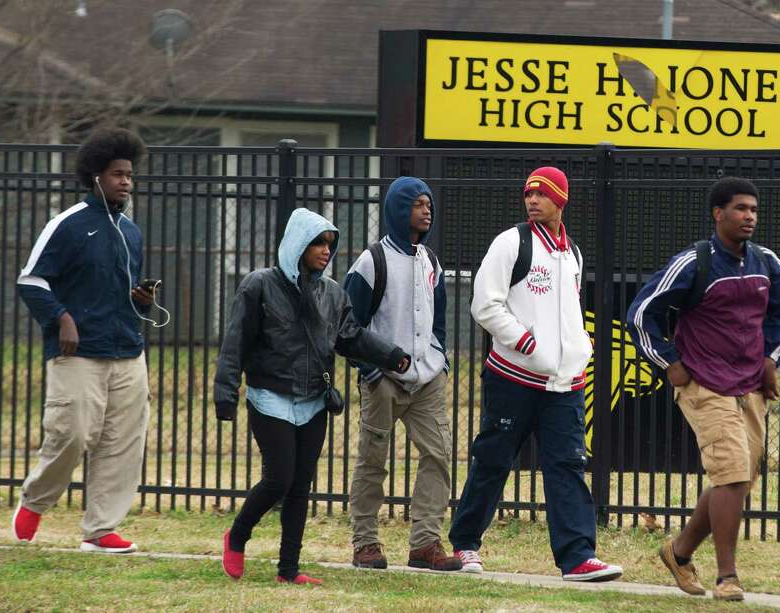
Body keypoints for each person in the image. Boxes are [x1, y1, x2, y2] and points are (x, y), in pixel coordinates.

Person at [215, 207, 411, 585]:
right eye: (317, 242)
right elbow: (235, 342)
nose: (325, 250)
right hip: (269, 396)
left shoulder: (332, 293)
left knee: (300, 487)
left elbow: (350, 337)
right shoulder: (258, 285)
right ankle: (237, 536)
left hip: (314, 401)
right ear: (297, 244)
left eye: (329, 244)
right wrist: (226, 393)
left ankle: (288, 570)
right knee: (279, 479)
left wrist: (390, 355)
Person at [626, 176, 780, 602]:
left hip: (750, 386)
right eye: (740, 208)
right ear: (718, 214)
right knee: (733, 472)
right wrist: (670, 362)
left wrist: (771, 359)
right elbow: (641, 313)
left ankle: (679, 552)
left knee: (736, 480)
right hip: (704, 384)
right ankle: (728, 577)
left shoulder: (767, 263)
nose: (749, 217)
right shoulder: (693, 263)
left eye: (754, 210)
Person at [448, 166, 623, 582]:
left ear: (561, 199)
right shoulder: (511, 242)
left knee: (568, 466)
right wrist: (525, 343)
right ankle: (465, 543)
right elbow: (484, 305)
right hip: (513, 377)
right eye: (529, 194)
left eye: (542, 194)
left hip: (564, 385)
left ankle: (578, 557)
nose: (532, 200)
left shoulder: (572, 252)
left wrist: (580, 347)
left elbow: (569, 310)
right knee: (493, 461)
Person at [13, 128, 153, 553]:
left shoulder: (131, 232)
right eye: (117, 174)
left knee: (123, 442)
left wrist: (141, 300)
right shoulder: (67, 225)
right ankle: (34, 501)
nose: (126, 181)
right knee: (71, 434)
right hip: (77, 352)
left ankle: (101, 529)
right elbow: (31, 280)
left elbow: (122, 289)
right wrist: (62, 318)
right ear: (95, 176)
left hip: (128, 351)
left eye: (129, 174)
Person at [344, 177, 460, 571]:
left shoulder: (431, 261)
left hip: (427, 380)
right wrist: (371, 372)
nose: (427, 211)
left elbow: (438, 320)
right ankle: (365, 543)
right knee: (372, 460)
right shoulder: (371, 261)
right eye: (418, 204)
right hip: (383, 380)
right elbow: (349, 326)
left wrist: (439, 361)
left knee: (438, 454)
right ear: (397, 209)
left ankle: (425, 544)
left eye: (429, 204)